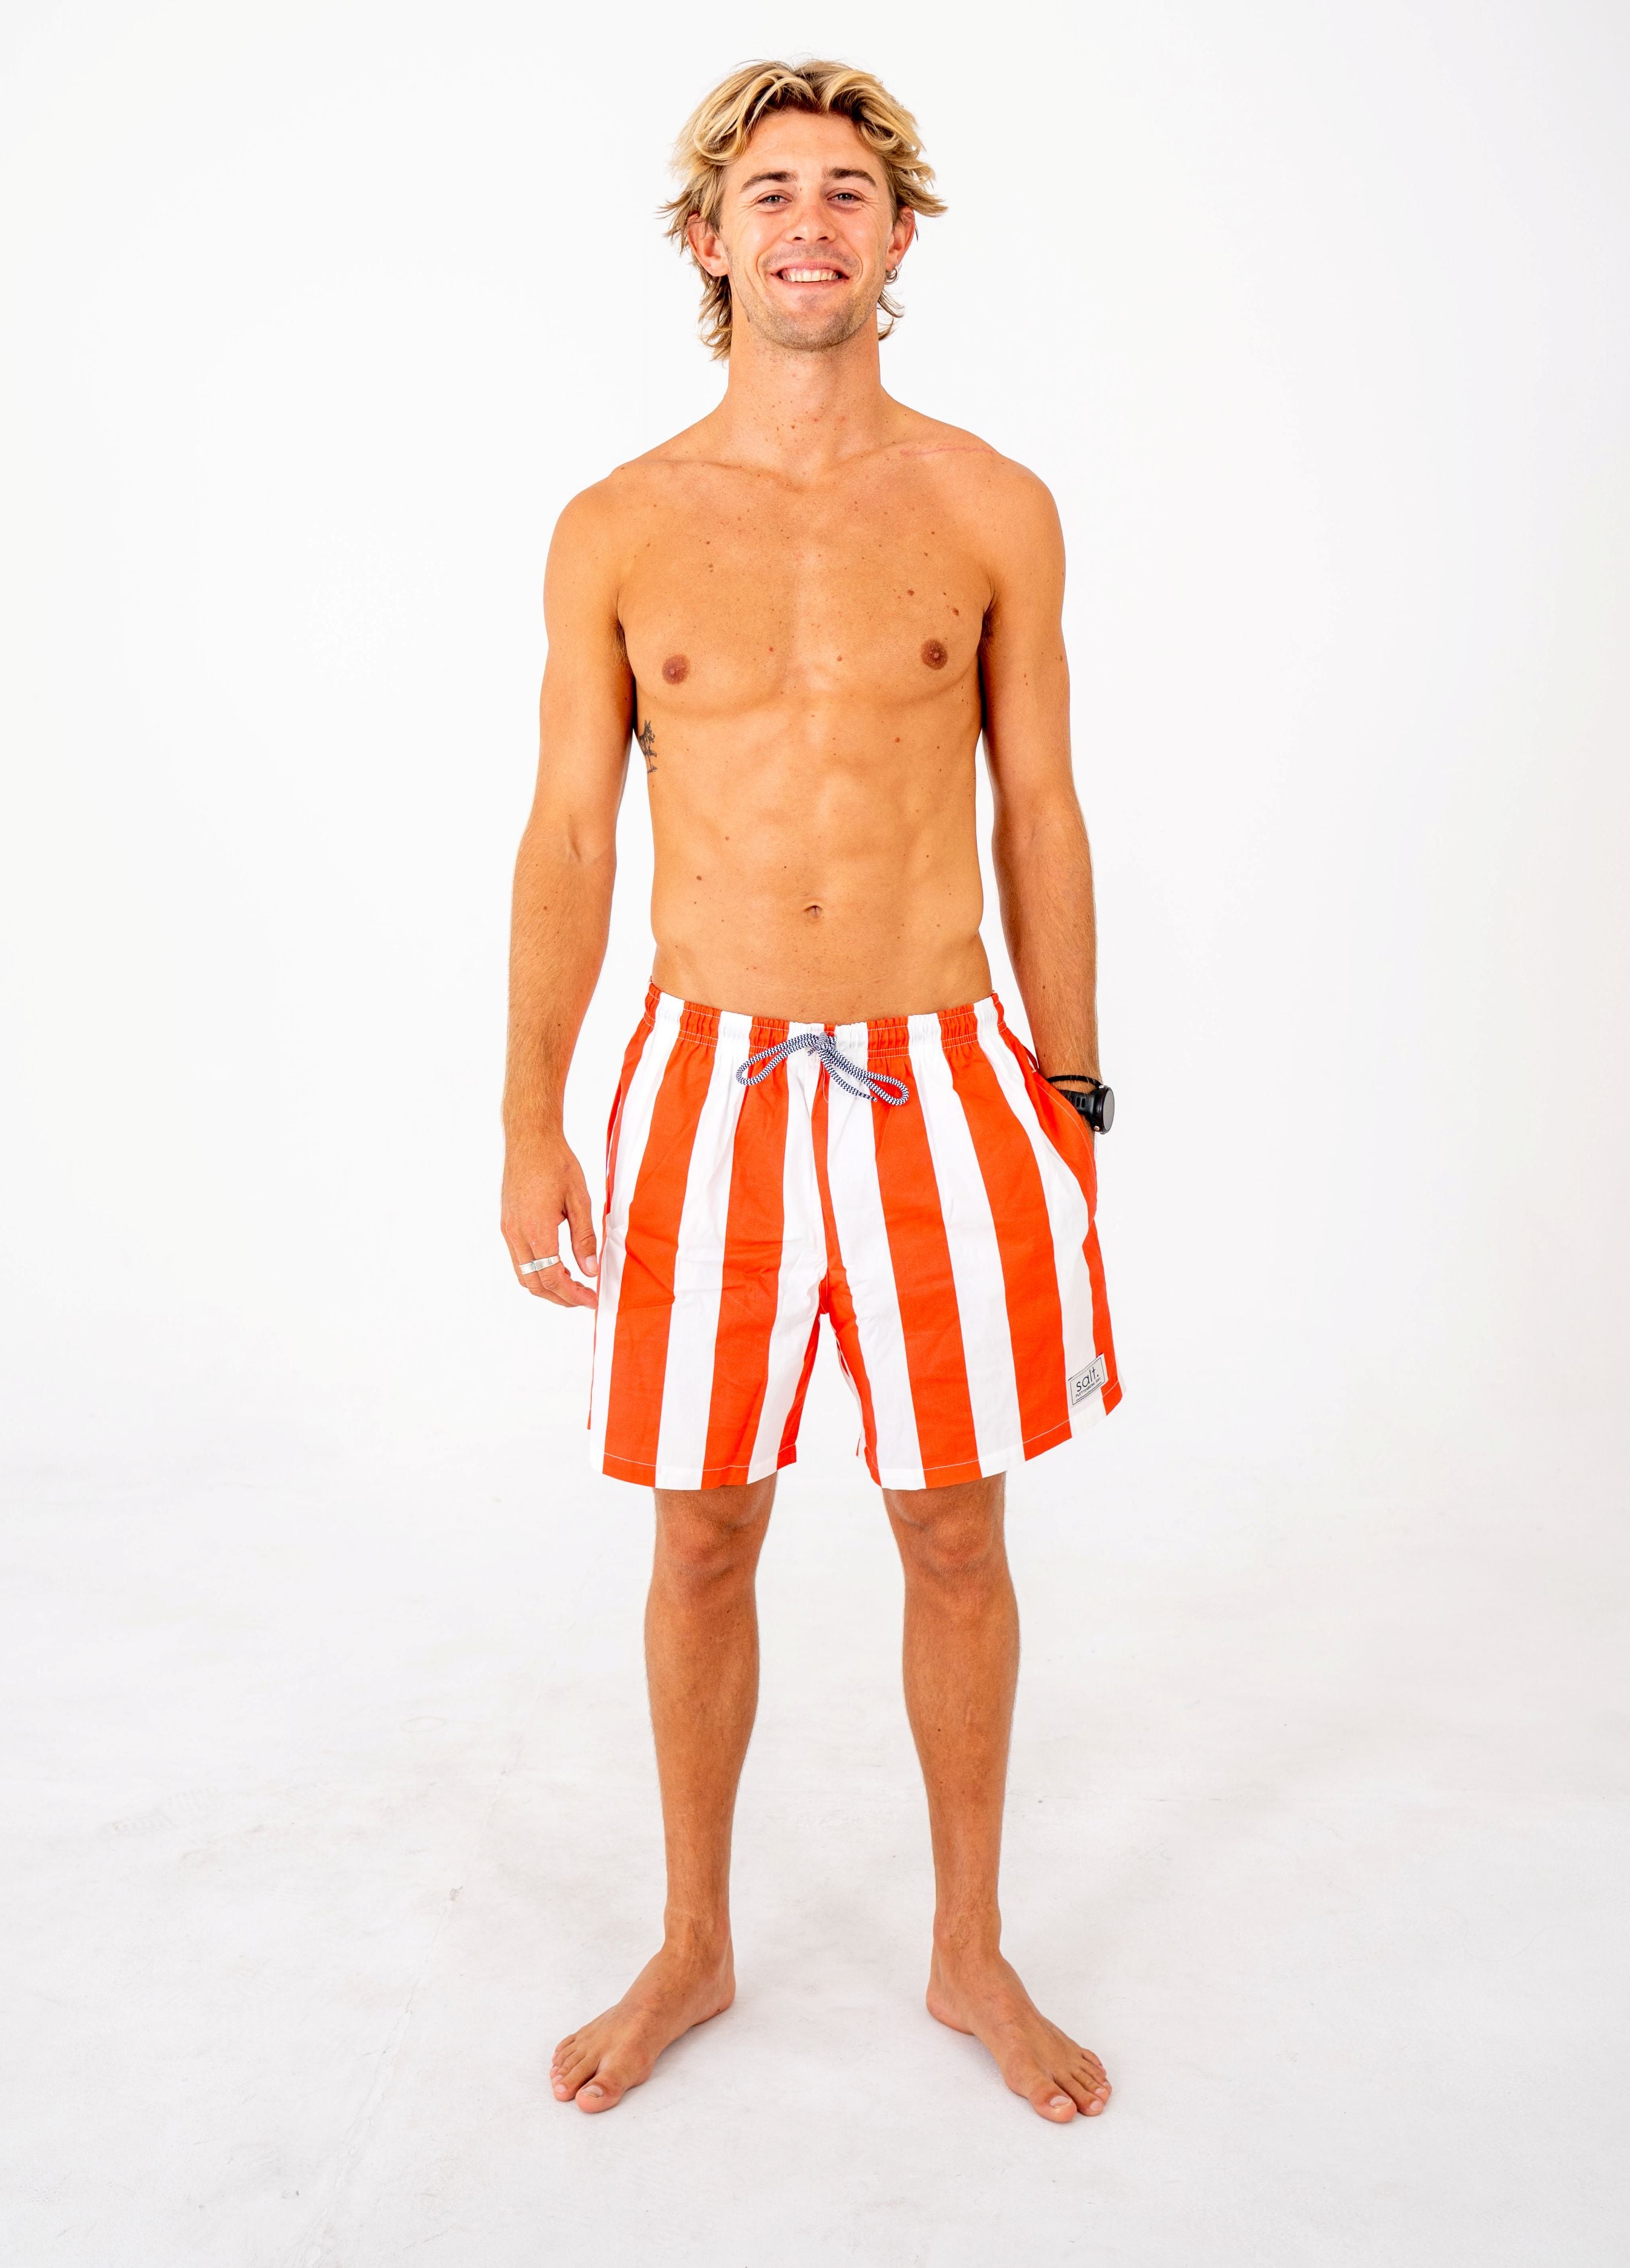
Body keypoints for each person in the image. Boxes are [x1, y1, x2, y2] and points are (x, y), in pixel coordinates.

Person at [501, 58, 1120, 2123]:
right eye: (769, 192)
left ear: (899, 234)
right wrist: (528, 1117)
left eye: (847, 189)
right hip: (708, 1083)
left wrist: (1071, 1086)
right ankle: (693, 1938)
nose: (809, 223)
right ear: (710, 239)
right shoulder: (618, 525)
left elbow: (1041, 806)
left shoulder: (990, 503)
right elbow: (569, 835)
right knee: (701, 1535)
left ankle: (969, 1949)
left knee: (954, 1528)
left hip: (950, 1071)